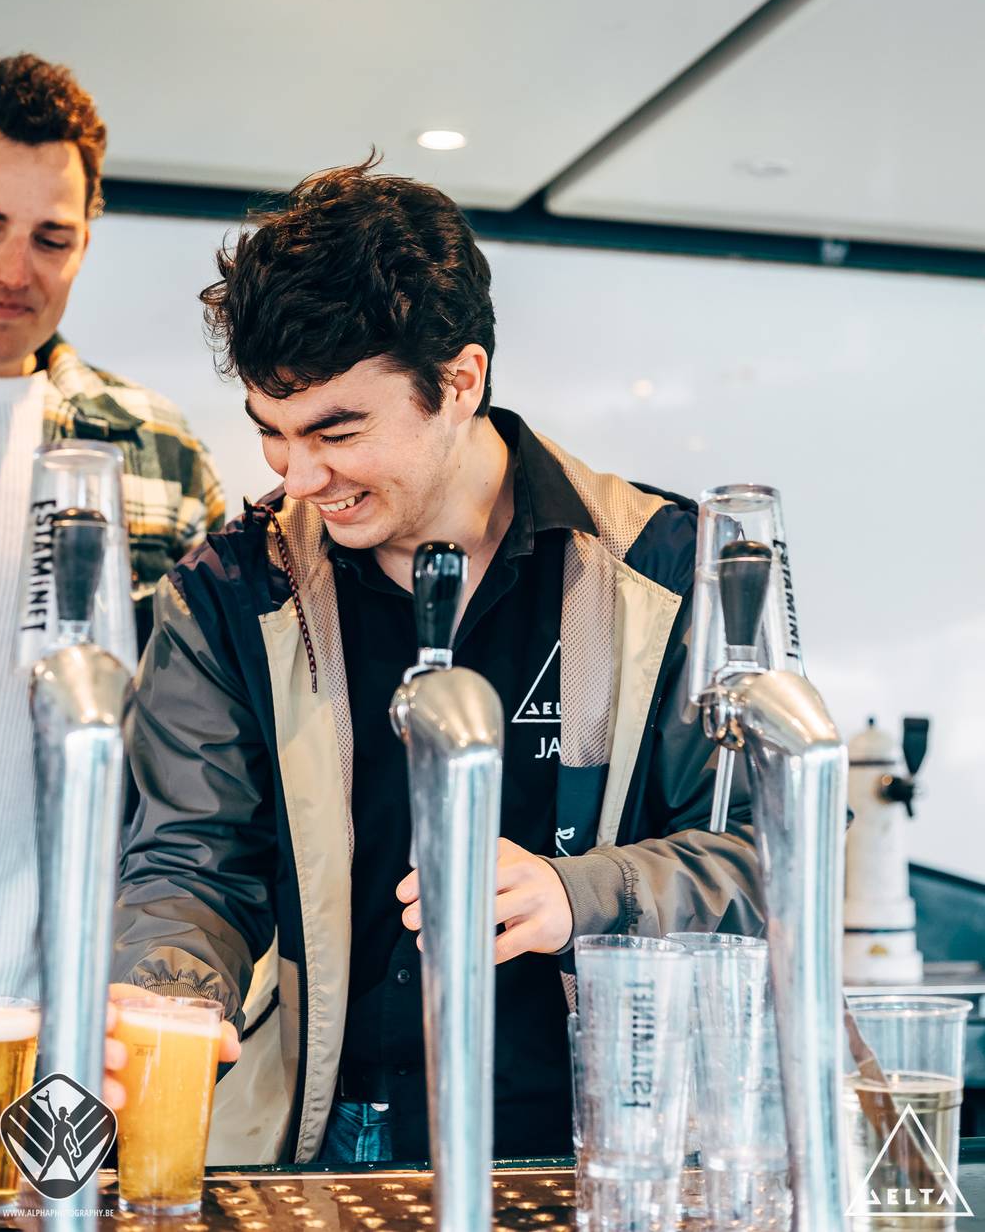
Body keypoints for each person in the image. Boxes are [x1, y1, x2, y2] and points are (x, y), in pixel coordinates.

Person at [109, 157, 762, 1165]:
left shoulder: (668, 571)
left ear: (460, 381)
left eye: (337, 431)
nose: (301, 476)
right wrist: (171, 993)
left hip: (608, 1149)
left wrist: (577, 894)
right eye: (273, 434)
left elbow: (772, 861)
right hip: (330, 1146)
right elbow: (189, 859)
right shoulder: (234, 589)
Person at [0, 52, 225, 1004]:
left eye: (52, 238)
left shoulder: (154, 449)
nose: (14, 271)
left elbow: (207, 756)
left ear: (88, 236)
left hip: (76, 997)